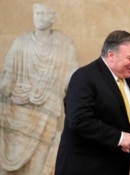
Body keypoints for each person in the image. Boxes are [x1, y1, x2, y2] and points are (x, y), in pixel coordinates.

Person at [55, 30, 130, 175]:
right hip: (84, 168)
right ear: (111, 55)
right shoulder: (84, 77)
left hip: (117, 167)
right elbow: (79, 120)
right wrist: (119, 137)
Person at [0, 3, 79, 175]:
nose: (38, 17)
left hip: (47, 110)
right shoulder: (21, 42)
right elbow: (7, 77)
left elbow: (73, 79)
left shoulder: (64, 45)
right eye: (36, 13)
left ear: (52, 19)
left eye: (43, 13)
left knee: (41, 162)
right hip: (18, 110)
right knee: (12, 161)